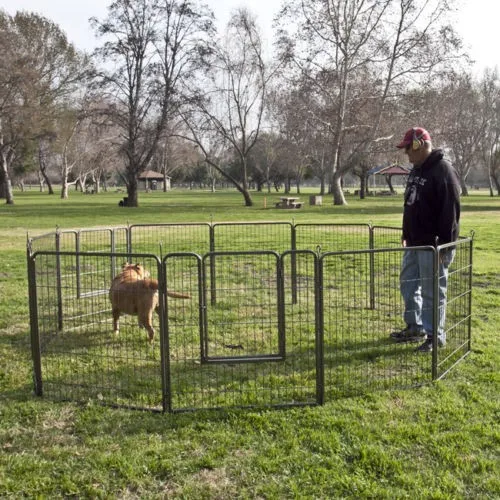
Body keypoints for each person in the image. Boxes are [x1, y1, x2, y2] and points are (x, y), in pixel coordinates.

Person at [390, 127, 461, 352]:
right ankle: (415, 326)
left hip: (434, 245)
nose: (407, 154)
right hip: (414, 242)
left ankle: (435, 336)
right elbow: (410, 204)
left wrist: (444, 244)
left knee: (432, 291)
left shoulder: (443, 170)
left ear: (419, 145)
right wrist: (406, 233)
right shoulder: (416, 170)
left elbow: (451, 211)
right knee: (408, 284)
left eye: (408, 149)